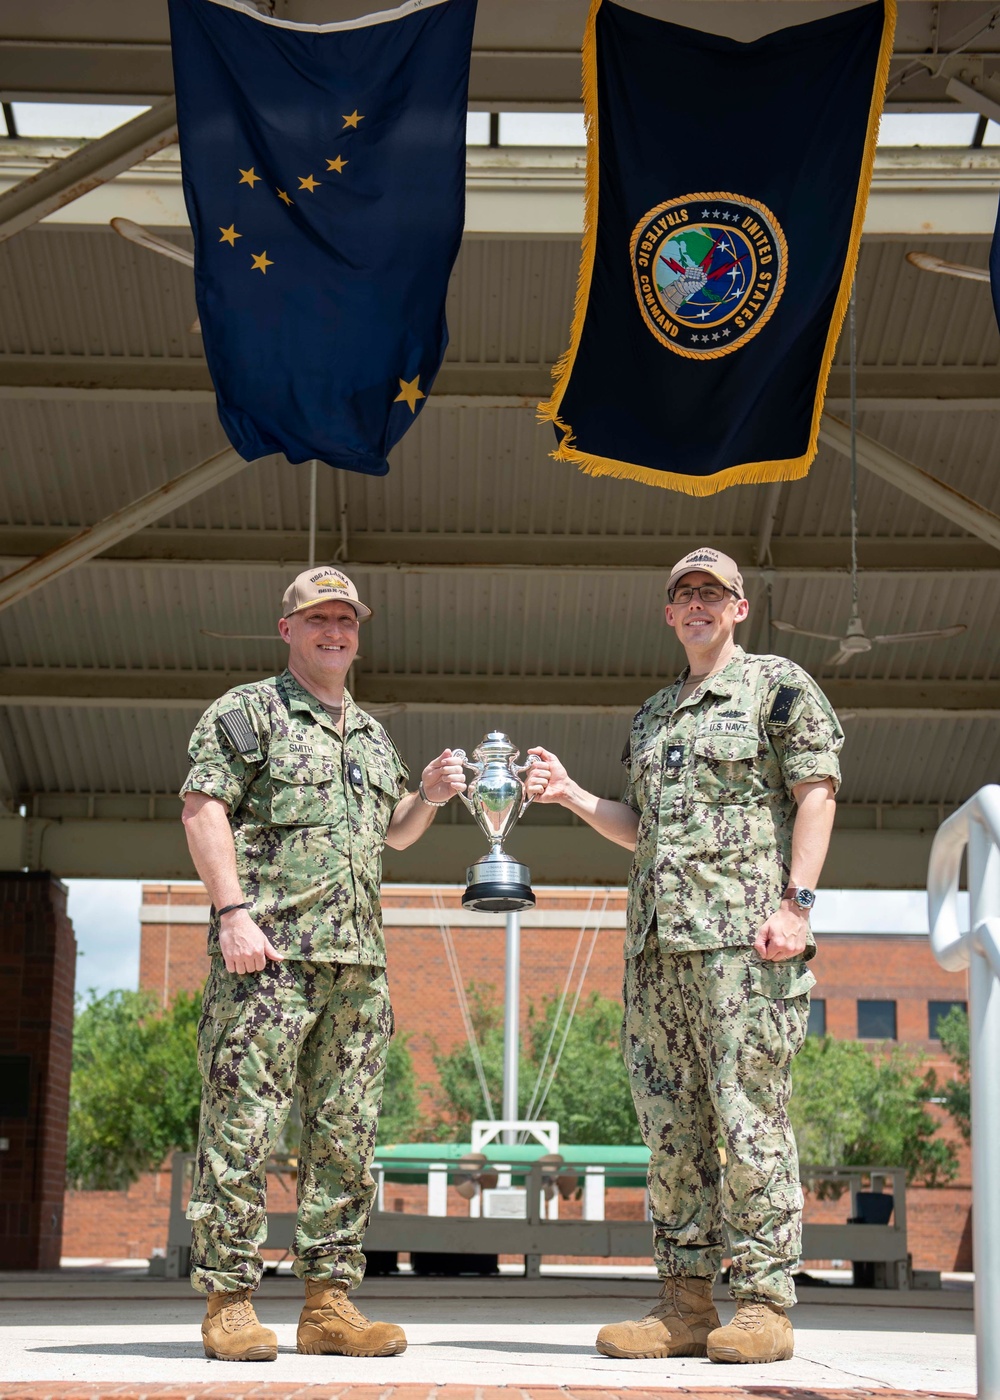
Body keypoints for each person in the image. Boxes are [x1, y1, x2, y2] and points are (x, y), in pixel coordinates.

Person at [179, 565, 504, 1362]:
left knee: (347, 1138)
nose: (335, 632)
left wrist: (425, 794)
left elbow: (392, 833)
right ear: (287, 629)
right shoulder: (247, 713)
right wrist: (231, 915)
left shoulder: (369, 734)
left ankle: (328, 1303)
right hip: (268, 959)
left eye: (346, 621)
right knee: (242, 1128)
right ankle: (229, 1298)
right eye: (318, 619)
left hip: (357, 968)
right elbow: (202, 807)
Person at [529, 546, 843, 1365]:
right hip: (658, 952)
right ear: (669, 614)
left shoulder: (778, 688)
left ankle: (766, 1302)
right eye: (684, 596)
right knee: (671, 1131)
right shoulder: (655, 715)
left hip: (744, 947)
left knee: (749, 1118)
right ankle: (685, 1302)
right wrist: (571, 796)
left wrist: (796, 906)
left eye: (713, 594)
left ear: (740, 608)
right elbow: (642, 830)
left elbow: (816, 793)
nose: (698, 605)